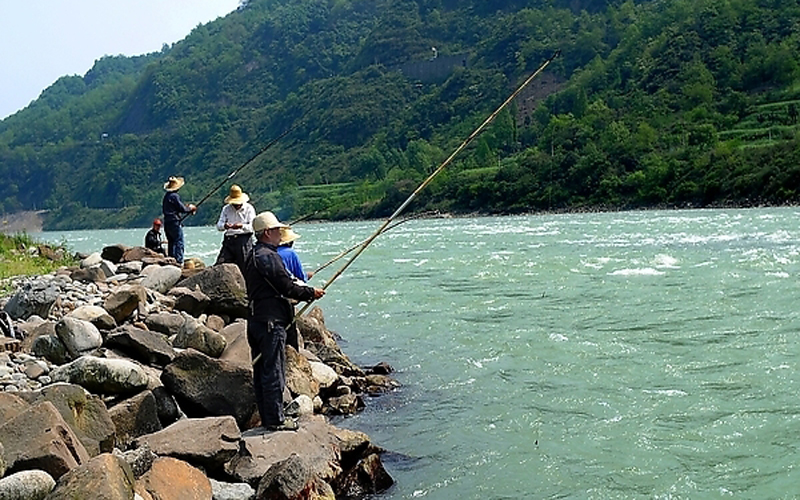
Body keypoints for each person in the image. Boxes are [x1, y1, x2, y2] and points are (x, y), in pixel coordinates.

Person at [244, 211, 325, 431]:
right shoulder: (269, 257)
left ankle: (268, 416)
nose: (281, 233)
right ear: (268, 232)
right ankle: (276, 421)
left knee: (261, 370)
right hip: (271, 322)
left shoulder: (252, 255)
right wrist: (310, 293)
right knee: (273, 371)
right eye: (278, 230)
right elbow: (285, 286)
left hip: (255, 320)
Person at [277, 226, 315, 350]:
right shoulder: (291, 253)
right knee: (289, 329)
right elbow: (300, 277)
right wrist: (308, 276)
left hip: (274, 297)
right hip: (288, 294)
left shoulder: (271, 253)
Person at [215, 184, 256, 273]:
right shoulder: (226, 209)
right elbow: (219, 225)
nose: (236, 205)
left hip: (244, 240)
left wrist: (241, 226)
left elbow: (252, 227)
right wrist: (225, 226)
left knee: (245, 266)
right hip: (229, 240)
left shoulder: (249, 209)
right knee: (221, 264)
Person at [162, 176, 196, 265]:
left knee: (171, 242)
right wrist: (190, 209)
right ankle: (179, 261)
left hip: (167, 222)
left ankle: (171, 260)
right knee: (179, 241)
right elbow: (182, 208)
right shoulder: (175, 196)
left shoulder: (166, 196)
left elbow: (175, 208)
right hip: (174, 222)